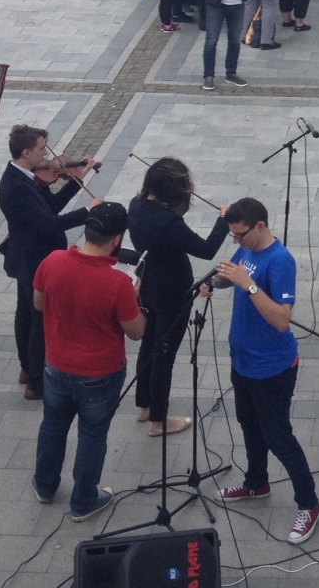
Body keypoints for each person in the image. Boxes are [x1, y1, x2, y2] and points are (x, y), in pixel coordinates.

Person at [208, 198, 319, 543]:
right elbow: (233, 276)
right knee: (249, 424)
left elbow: (282, 320)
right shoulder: (247, 247)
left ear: (259, 226)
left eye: (240, 235)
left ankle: (309, 503)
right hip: (242, 361)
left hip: (272, 368)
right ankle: (256, 482)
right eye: (233, 235)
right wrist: (217, 281)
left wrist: (248, 284)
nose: (236, 241)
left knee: (278, 436)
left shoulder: (280, 260)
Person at [28, 202, 143, 521]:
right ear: (117, 239)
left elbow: (38, 303)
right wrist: (136, 299)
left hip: (56, 365)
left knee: (52, 424)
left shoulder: (53, 260)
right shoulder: (118, 283)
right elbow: (136, 332)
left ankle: (44, 485)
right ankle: (83, 502)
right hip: (100, 373)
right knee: (92, 435)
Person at [0, 126, 99, 401]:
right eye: (42, 149)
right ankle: (36, 382)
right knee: (38, 321)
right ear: (26, 152)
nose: (47, 155)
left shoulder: (26, 177)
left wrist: (77, 179)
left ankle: (27, 368)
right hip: (33, 259)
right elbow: (49, 223)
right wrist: (87, 211)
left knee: (26, 314)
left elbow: (51, 206)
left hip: (30, 256)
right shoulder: (17, 187)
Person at [127, 156, 228, 436]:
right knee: (165, 354)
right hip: (173, 292)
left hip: (148, 285)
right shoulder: (169, 222)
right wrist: (223, 220)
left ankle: (145, 404)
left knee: (149, 345)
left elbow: (169, 222)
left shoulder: (136, 205)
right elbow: (206, 249)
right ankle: (159, 421)